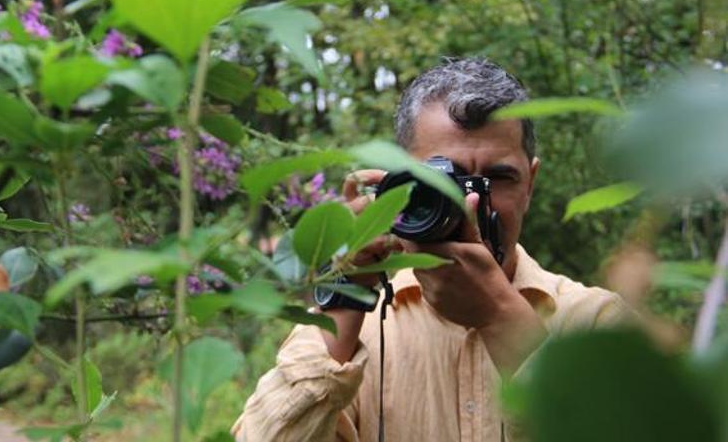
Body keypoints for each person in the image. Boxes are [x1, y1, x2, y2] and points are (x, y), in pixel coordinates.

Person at [232, 57, 629, 442]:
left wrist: (501, 317)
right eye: (446, 181)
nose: (472, 203)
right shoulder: (355, 331)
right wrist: (344, 297)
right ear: (400, 184)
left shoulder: (597, 324)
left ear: (531, 183)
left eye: (498, 178)